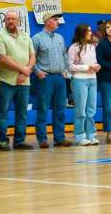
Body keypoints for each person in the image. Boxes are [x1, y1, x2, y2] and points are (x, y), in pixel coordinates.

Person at [0, 10, 36, 151]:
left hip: (25, 81)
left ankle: (19, 141)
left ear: (19, 21)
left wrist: (27, 71)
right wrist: (22, 69)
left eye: (14, 19)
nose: (11, 21)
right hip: (7, 81)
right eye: (8, 19)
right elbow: (2, 59)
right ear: (4, 21)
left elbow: (32, 57)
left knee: (22, 112)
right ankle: (3, 140)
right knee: (3, 112)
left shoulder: (26, 36)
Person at [32, 12, 73, 148]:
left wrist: (66, 71)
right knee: (43, 108)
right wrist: (38, 72)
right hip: (46, 77)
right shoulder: (37, 38)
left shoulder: (60, 38)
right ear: (47, 21)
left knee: (60, 108)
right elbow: (31, 58)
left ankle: (59, 138)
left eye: (57, 20)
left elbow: (64, 56)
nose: (57, 22)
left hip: (60, 78)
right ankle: (42, 139)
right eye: (55, 20)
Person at [67, 24, 100, 146]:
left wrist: (97, 66)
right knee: (80, 110)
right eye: (88, 31)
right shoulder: (73, 48)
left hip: (92, 79)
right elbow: (70, 66)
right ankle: (80, 136)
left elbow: (94, 62)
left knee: (91, 109)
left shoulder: (92, 47)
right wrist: (87, 67)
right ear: (82, 32)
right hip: (79, 80)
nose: (91, 33)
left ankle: (91, 134)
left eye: (91, 31)